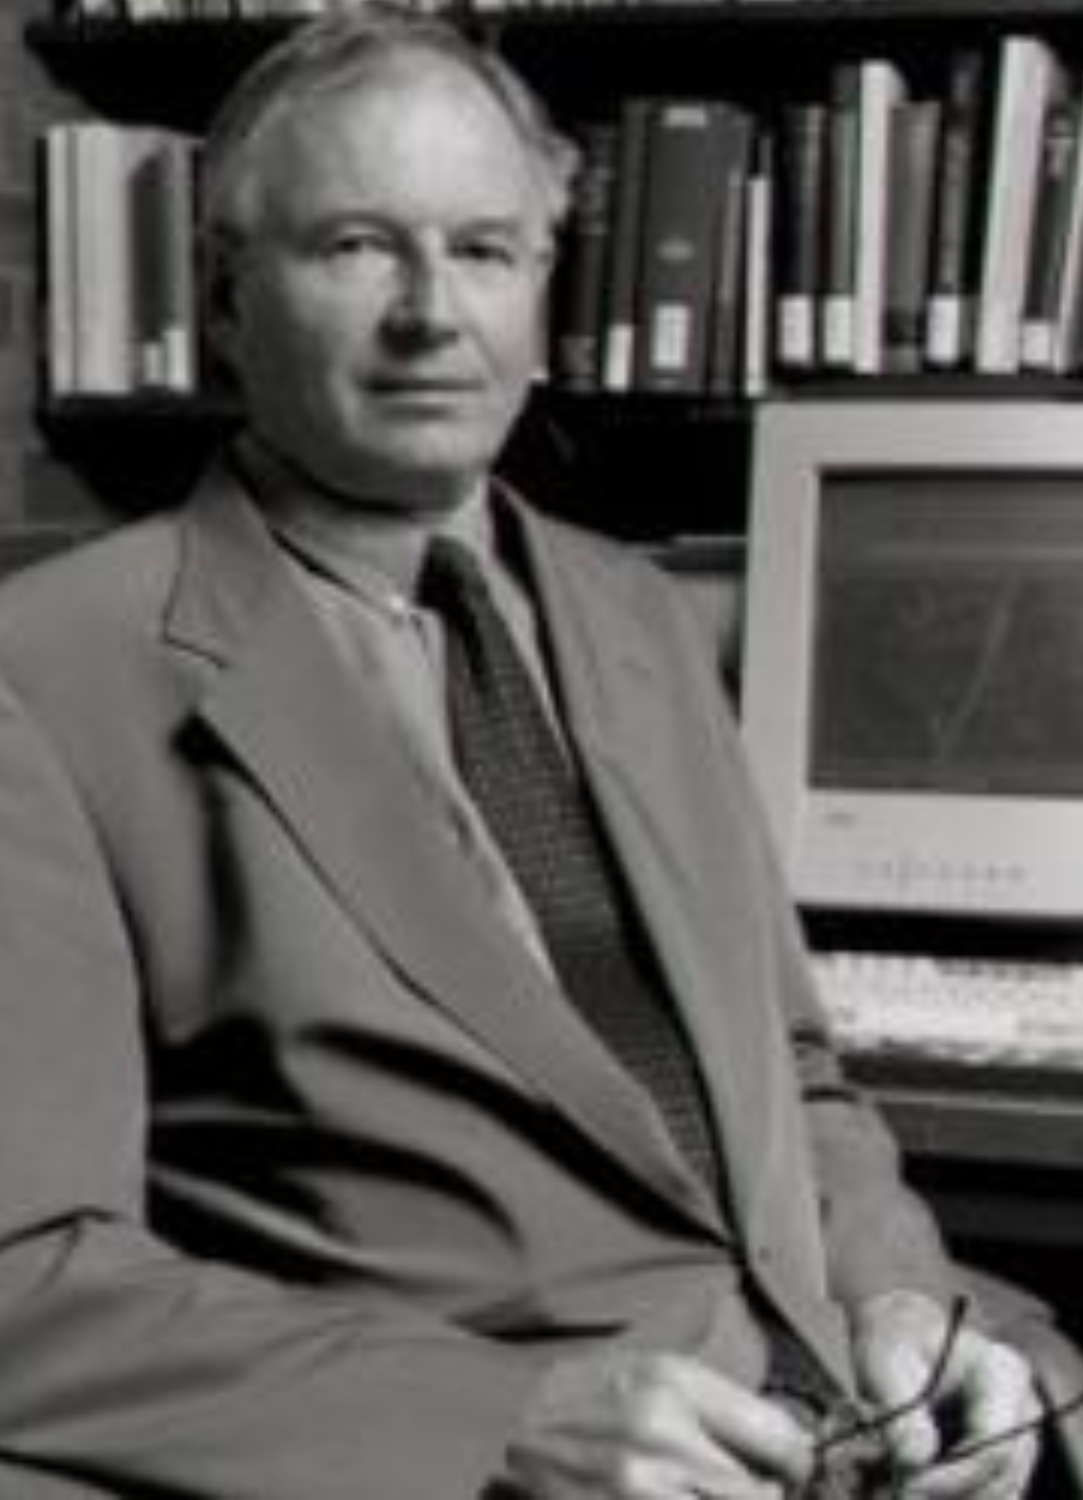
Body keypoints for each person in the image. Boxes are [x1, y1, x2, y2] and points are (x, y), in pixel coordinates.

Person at [0, 8, 1048, 1497]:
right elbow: (23, 1280)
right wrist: (495, 1422)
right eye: (357, 246)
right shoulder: (46, 676)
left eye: (484, 250)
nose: (433, 310)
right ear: (229, 299)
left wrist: (900, 1305)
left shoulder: (637, 612)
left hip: (841, 1428)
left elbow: (792, 1078)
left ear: (541, 292)